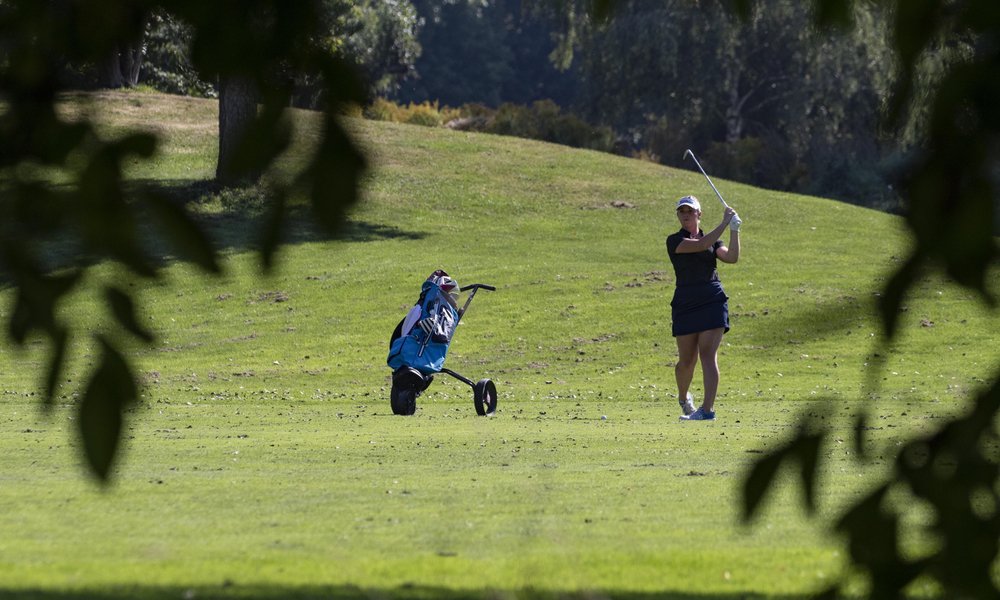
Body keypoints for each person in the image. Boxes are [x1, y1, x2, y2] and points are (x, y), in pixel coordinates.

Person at [666, 195, 741, 421]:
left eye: (690, 211)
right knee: (686, 361)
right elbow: (700, 244)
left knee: (708, 354)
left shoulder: (714, 242)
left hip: (712, 298)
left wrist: (735, 230)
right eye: (682, 211)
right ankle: (683, 398)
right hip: (686, 301)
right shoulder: (674, 240)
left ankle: (707, 410)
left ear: (699, 214)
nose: (686, 214)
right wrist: (724, 223)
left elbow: (732, 257)